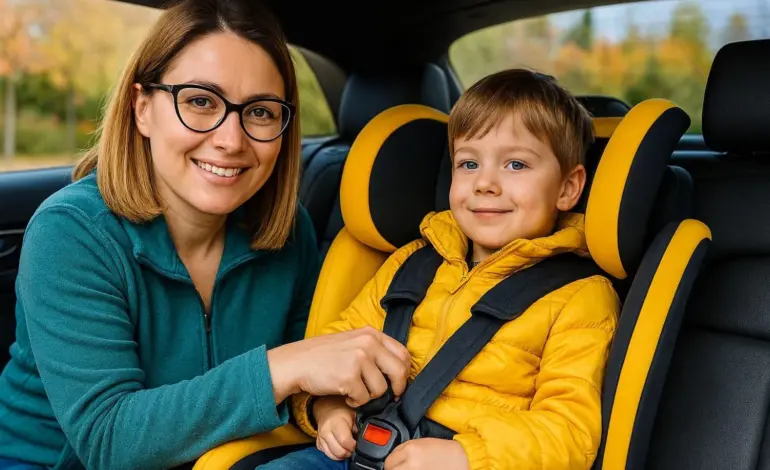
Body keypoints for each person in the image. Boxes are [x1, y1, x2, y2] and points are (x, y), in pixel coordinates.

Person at [0, 1, 411, 469]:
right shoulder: (72, 232)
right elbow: (108, 439)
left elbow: (310, 374)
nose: (231, 140)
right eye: (199, 101)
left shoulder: (286, 230)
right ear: (142, 110)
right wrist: (284, 367)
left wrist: (326, 406)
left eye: (259, 112)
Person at [258, 69, 621, 470]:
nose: (485, 183)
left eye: (516, 165)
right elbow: (333, 351)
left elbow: (570, 432)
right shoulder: (412, 262)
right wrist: (327, 409)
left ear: (568, 188)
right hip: (358, 451)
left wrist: (467, 456)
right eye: (468, 164)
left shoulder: (579, 295)